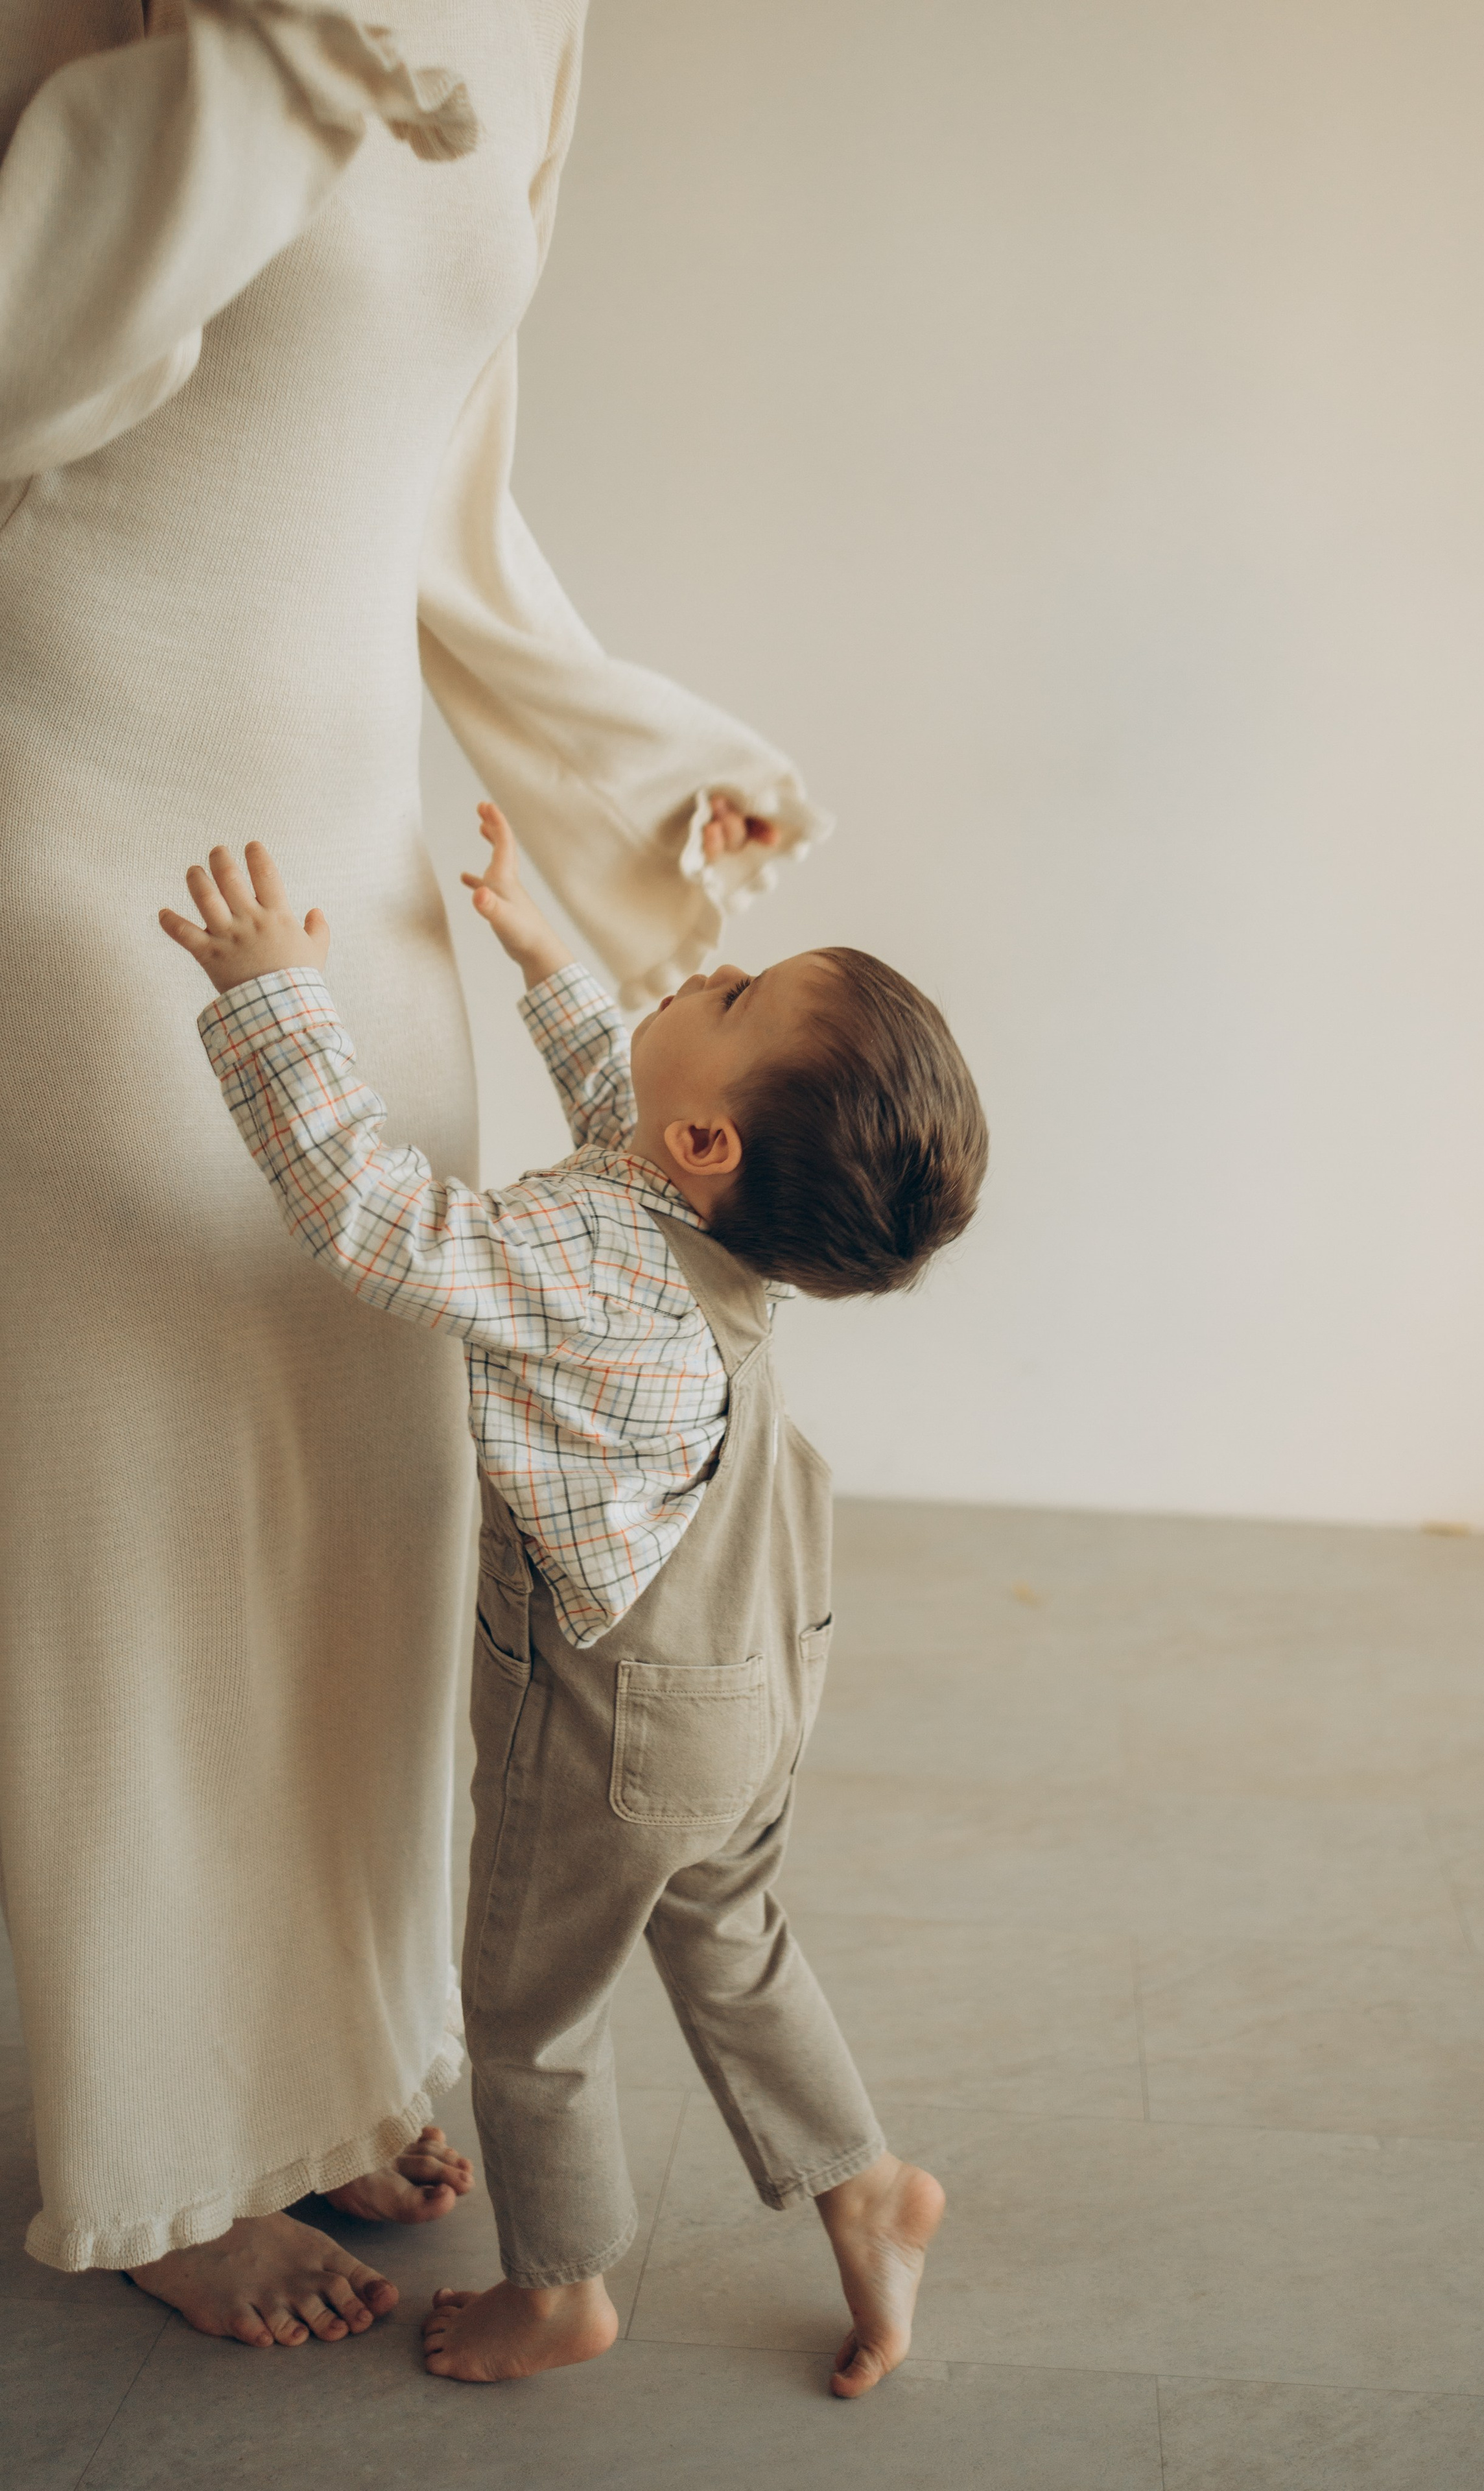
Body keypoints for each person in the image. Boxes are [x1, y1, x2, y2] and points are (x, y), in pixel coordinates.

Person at [1, 0, 829, 2346]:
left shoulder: (540, 23)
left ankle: (325, 2063)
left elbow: (433, 480)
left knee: (379, 1511)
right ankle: (161, 2148)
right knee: (155, 1533)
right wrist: (262, 70)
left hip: (348, 864)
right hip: (90, 839)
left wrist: (643, 774)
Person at [158, 804, 987, 2390]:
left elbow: (387, 1226)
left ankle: (562, 2289)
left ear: (709, 1146)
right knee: (730, 1939)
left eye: (734, 994)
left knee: (529, 2009)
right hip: (757, 1669)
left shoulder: (590, 1252)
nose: (709, 970)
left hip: (616, 1720)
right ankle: (864, 2184)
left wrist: (271, 998)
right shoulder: (716, 1221)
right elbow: (638, 1115)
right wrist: (546, 960)